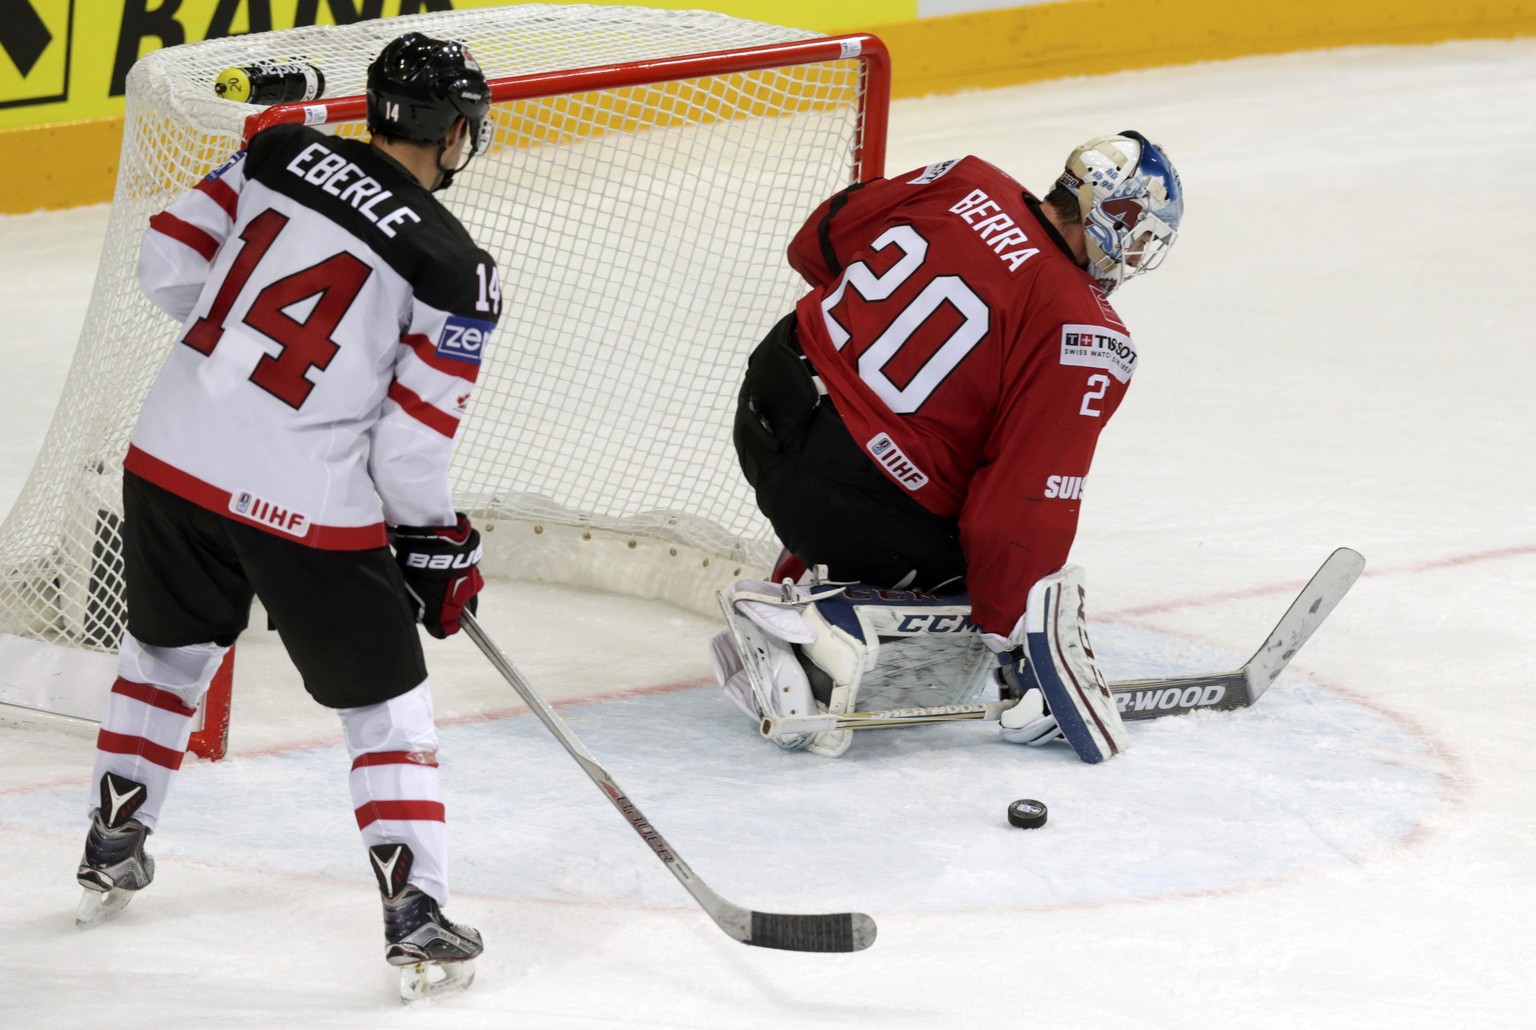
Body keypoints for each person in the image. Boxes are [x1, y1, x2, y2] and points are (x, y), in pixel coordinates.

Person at [74, 32, 499, 996]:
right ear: (447, 130)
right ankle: (415, 910)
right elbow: (409, 449)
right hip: (302, 504)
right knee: (386, 707)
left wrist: (234, 383)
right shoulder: (456, 268)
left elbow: (169, 267)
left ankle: (110, 842)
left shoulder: (274, 152)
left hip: (170, 455)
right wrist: (435, 540)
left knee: (167, 656)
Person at [710, 132, 1183, 762]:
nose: (1134, 257)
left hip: (768, 406)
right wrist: (1018, 639)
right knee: (974, 569)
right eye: (1140, 234)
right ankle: (817, 633)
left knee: (908, 442)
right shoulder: (1086, 330)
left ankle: (803, 577)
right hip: (854, 500)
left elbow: (817, 241)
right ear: (1110, 214)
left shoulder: (964, 179)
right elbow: (1024, 501)